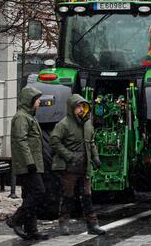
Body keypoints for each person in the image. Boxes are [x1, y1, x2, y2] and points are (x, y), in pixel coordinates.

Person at [50, 94, 106, 235]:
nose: (81, 109)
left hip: (85, 168)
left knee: (87, 198)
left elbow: (91, 143)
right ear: (72, 108)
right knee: (68, 196)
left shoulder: (87, 124)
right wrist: (69, 156)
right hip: (70, 169)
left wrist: (95, 157)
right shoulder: (63, 124)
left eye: (83, 106)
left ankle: (92, 225)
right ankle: (64, 224)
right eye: (78, 107)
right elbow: (54, 141)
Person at [6, 86, 49, 241]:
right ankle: (16, 219)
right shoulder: (21, 117)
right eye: (37, 99)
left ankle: (31, 230)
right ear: (30, 101)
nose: (39, 102)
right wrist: (30, 163)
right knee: (38, 192)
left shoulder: (29, 116)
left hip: (32, 164)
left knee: (30, 195)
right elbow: (20, 141)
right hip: (27, 165)